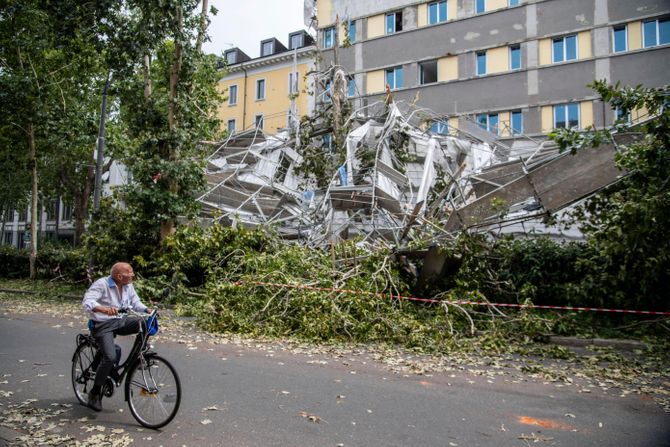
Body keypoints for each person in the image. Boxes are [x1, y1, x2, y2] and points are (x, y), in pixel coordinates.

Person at [81, 262, 151, 411]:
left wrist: (146, 309)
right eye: (130, 273)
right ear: (119, 276)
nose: (132, 275)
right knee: (110, 357)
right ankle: (94, 393)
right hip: (103, 325)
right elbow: (87, 301)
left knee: (145, 323)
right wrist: (103, 309)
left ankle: (140, 354)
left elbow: (135, 302)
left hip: (120, 321)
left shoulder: (128, 285)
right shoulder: (102, 284)